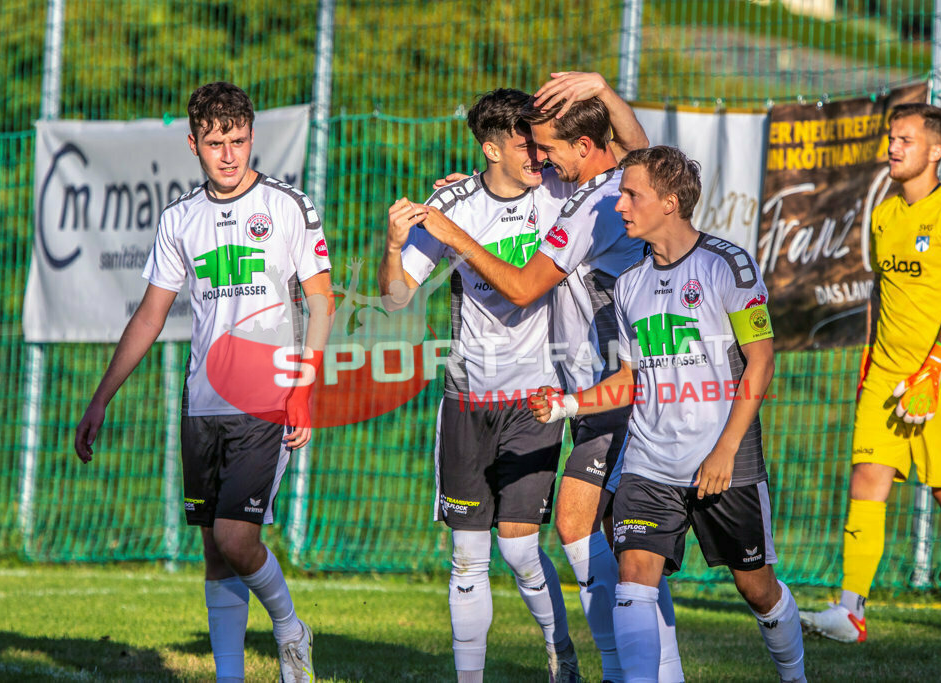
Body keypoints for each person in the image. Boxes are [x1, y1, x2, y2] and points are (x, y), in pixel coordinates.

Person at [419, 72, 683, 682]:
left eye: (547, 148)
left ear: (585, 148)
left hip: (624, 388)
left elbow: (520, 286)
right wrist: (474, 194)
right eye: (532, 147)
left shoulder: (600, 204)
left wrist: (453, 231)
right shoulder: (579, 184)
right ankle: (640, 670)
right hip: (588, 391)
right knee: (616, 545)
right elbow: (627, 153)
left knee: (587, 530)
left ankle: (636, 671)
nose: (540, 157)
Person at [74, 82, 332, 683]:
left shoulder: (289, 206)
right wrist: (100, 398)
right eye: (215, 143)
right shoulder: (179, 219)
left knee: (237, 538)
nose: (229, 154)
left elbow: (320, 302)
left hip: (267, 400)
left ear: (251, 137)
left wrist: (303, 386)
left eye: (238, 140)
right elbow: (149, 316)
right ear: (194, 143)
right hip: (202, 405)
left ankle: (291, 628)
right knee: (215, 552)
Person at [529, 146, 806, 683]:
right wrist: (568, 404)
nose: (621, 206)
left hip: (723, 459)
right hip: (648, 462)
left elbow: (762, 360)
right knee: (634, 581)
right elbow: (633, 378)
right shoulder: (629, 285)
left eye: (632, 195)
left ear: (671, 203)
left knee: (757, 587)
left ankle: (794, 676)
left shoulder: (727, 264)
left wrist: (725, 450)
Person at [379, 87, 584, 683]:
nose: (537, 151)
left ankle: (561, 655)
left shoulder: (558, 193)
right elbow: (395, 299)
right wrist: (396, 246)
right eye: (524, 141)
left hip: (534, 398)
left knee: (520, 549)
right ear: (491, 147)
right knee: (467, 558)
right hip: (468, 400)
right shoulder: (455, 204)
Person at [800, 103, 941, 642]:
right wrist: (869, 368)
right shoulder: (884, 214)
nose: (893, 147)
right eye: (891, 137)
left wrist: (932, 372)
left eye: (905, 139)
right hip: (886, 376)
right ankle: (850, 610)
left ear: (936, 151)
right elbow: (879, 299)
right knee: (866, 479)